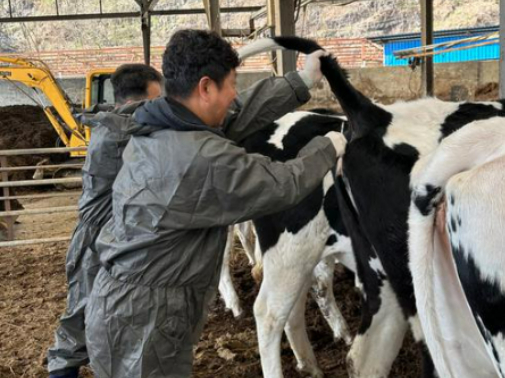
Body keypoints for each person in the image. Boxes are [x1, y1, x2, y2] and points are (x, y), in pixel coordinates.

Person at [84, 29, 347, 378]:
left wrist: (301, 80)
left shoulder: (154, 121)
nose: (235, 94)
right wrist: (327, 148)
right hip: (147, 322)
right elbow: (281, 184)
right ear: (206, 87)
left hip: (122, 305)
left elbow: (235, 114)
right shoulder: (199, 159)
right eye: (232, 84)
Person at [47, 63, 164, 378]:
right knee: (82, 317)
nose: (161, 104)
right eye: (157, 97)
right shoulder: (117, 131)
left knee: (111, 319)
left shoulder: (118, 122)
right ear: (137, 100)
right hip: (95, 242)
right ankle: (61, 373)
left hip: (114, 236)